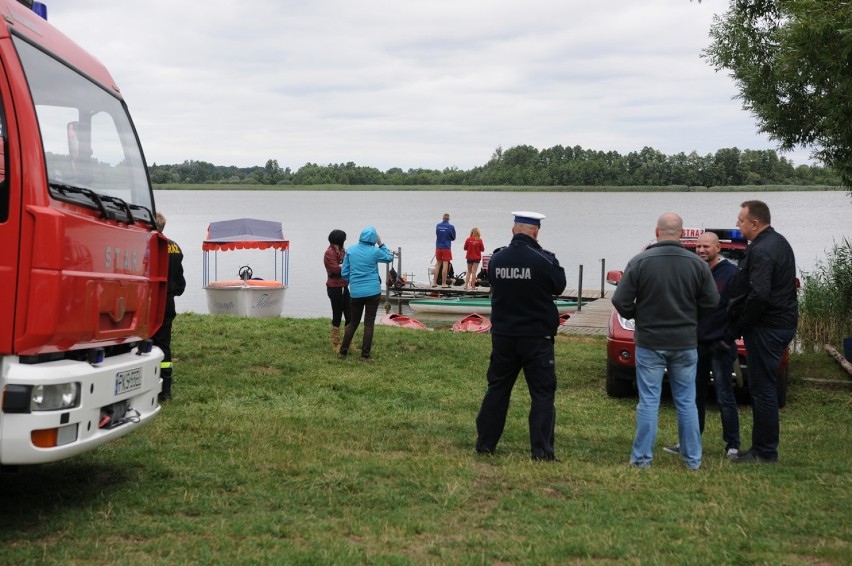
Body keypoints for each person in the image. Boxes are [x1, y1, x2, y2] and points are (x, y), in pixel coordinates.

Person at [611, 212, 719, 470]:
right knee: (687, 401)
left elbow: (620, 301)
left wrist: (637, 315)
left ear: (657, 232)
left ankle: (642, 459)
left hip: (650, 341)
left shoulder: (640, 262)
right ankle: (693, 460)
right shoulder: (698, 265)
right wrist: (692, 318)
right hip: (684, 342)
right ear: (682, 234)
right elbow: (712, 303)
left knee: (649, 401)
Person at [475, 211, 566, 461]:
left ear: (514, 229)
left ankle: (485, 443)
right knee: (542, 394)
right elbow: (559, 285)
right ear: (536, 232)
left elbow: (492, 280)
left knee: (498, 389)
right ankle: (541, 452)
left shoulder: (497, 259)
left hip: (504, 335)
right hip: (537, 336)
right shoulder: (544, 260)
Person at [727, 200, 797, 464]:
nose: (738, 224)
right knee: (761, 385)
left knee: (763, 388)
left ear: (754, 223)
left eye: (741, 220)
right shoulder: (778, 242)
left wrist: (740, 325)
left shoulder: (763, 250)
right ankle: (762, 448)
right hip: (779, 323)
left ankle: (765, 452)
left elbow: (759, 294)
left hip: (768, 327)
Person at [663, 231, 741, 459]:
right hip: (694, 345)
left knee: (724, 396)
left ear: (718, 248)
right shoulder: (692, 271)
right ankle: (689, 442)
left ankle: (732, 444)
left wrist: (728, 338)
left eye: (706, 246)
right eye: (698, 246)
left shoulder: (730, 274)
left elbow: (737, 309)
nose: (701, 250)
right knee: (692, 396)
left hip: (720, 346)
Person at [339, 226, 394, 361]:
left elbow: (344, 273)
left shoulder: (350, 250)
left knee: (353, 322)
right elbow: (389, 258)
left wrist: (353, 282)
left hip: (356, 292)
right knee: (369, 323)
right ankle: (365, 355)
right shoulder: (375, 251)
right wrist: (381, 243)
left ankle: (342, 352)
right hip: (373, 292)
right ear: (373, 239)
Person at [152, 212, 186, 402]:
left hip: (150, 302)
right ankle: (166, 390)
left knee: (144, 343)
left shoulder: (149, 245)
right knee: (164, 345)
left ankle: (146, 385)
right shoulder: (175, 247)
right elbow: (180, 281)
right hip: (167, 302)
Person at [324, 229, 350, 353]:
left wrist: (345, 267)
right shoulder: (329, 253)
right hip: (334, 287)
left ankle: (348, 341)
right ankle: (336, 342)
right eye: (344, 239)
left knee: (349, 315)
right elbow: (336, 270)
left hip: (344, 286)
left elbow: (345, 265)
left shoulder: (343, 251)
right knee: (337, 315)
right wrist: (347, 267)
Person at [433, 213, 456, 288]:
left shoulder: (438, 225)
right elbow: (453, 237)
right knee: (445, 264)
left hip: (438, 246)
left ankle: (434, 282)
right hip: (446, 247)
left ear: (442, 218)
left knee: (438, 264)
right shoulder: (451, 226)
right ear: (448, 219)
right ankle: (443, 283)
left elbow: (437, 234)